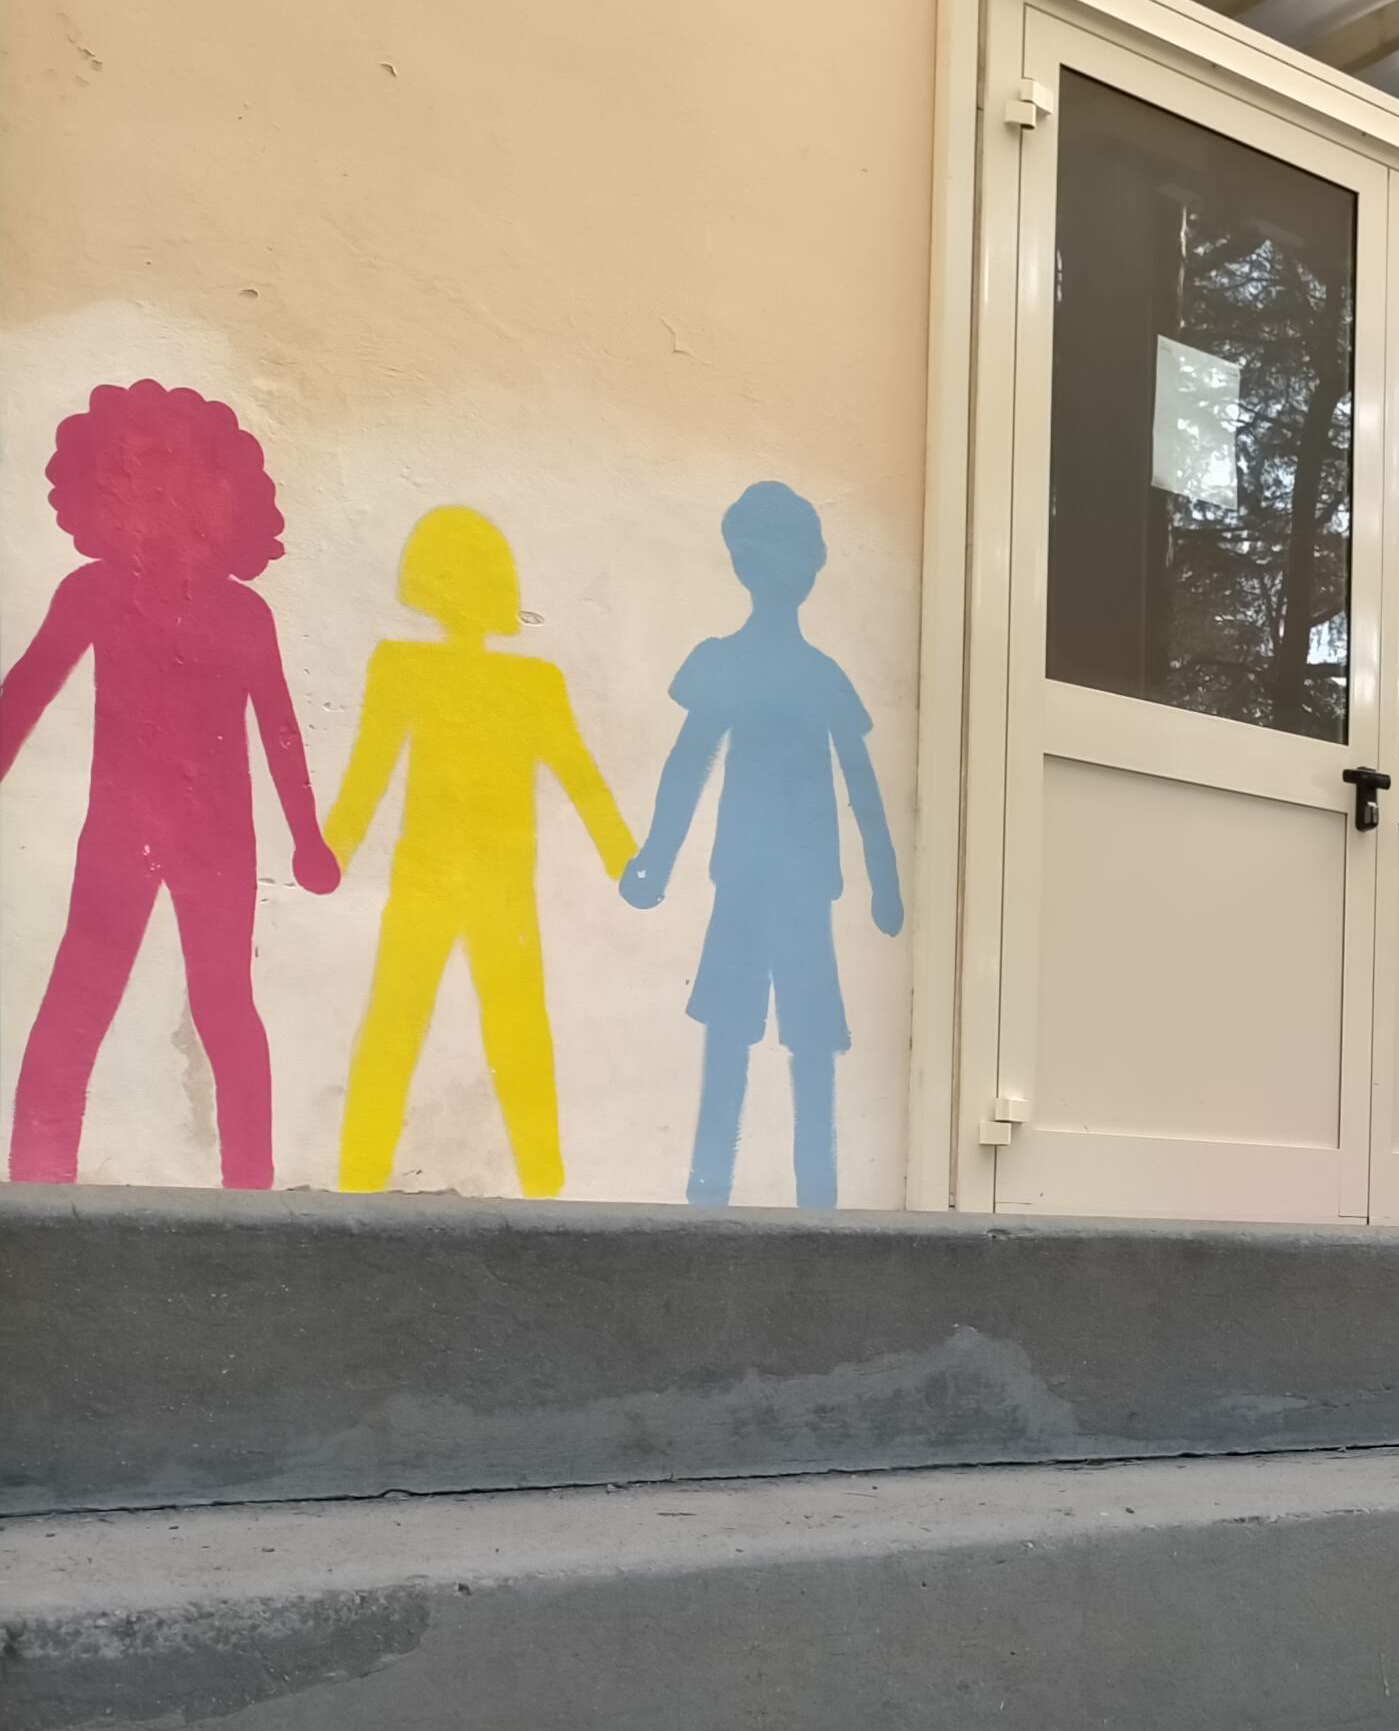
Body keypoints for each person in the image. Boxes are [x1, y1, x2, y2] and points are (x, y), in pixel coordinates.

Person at [0, 379, 339, 1188]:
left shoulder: (244, 615)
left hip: (217, 841)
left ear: (222, 495)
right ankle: (38, 1183)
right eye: (134, 472)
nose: (155, 492)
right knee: (79, 1000)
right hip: (120, 835)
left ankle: (249, 1190)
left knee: (222, 1005)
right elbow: (24, 694)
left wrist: (308, 838)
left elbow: (280, 730)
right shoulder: (92, 593)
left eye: (175, 473)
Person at [324, 507, 635, 1196]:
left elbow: (581, 777)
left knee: (480, 1031)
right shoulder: (415, 668)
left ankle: (539, 1189)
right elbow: (369, 773)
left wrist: (625, 857)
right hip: (447, 880)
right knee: (420, 1027)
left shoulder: (517, 682)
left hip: (477, 884)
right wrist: (334, 849)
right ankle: (362, 1183)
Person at [622, 483, 901, 1209]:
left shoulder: (802, 673)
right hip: (752, 884)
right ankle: (721, 1196)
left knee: (788, 1041)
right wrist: (654, 860)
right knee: (760, 1038)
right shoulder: (767, 668)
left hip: (788, 887)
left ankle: (801, 1202)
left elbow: (860, 785)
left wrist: (887, 881)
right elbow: (688, 767)